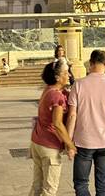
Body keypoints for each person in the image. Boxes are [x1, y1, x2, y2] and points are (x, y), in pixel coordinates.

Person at [67, 49, 105, 196]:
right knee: (103, 187)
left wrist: (69, 142)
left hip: (84, 140)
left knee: (81, 184)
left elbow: (72, 115)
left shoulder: (78, 85)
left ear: (90, 63)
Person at [29, 59, 76, 196]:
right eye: (66, 73)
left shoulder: (49, 90)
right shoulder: (56, 96)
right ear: (57, 76)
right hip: (49, 146)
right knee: (49, 189)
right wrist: (70, 144)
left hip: (37, 142)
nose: (69, 75)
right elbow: (57, 123)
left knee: (37, 185)